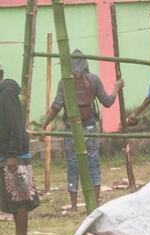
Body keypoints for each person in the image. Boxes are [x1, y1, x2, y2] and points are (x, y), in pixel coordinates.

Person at [41, 50, 123, 214]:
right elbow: (107, 102)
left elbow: (56, 107)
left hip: (71, 129)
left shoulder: (64, 82)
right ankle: (94, 204)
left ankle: (73, 207)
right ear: (86, 62)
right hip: (90, 127)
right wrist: (116, 87)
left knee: (72, 165)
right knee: (93, 163)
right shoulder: (93, 79)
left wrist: (44, 126)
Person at [0, 65, 39, 235]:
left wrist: (12, 154)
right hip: (8, 153)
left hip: (14, 155)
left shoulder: (6, 93)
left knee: (20, 198)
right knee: (14, 199)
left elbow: (14, 124)